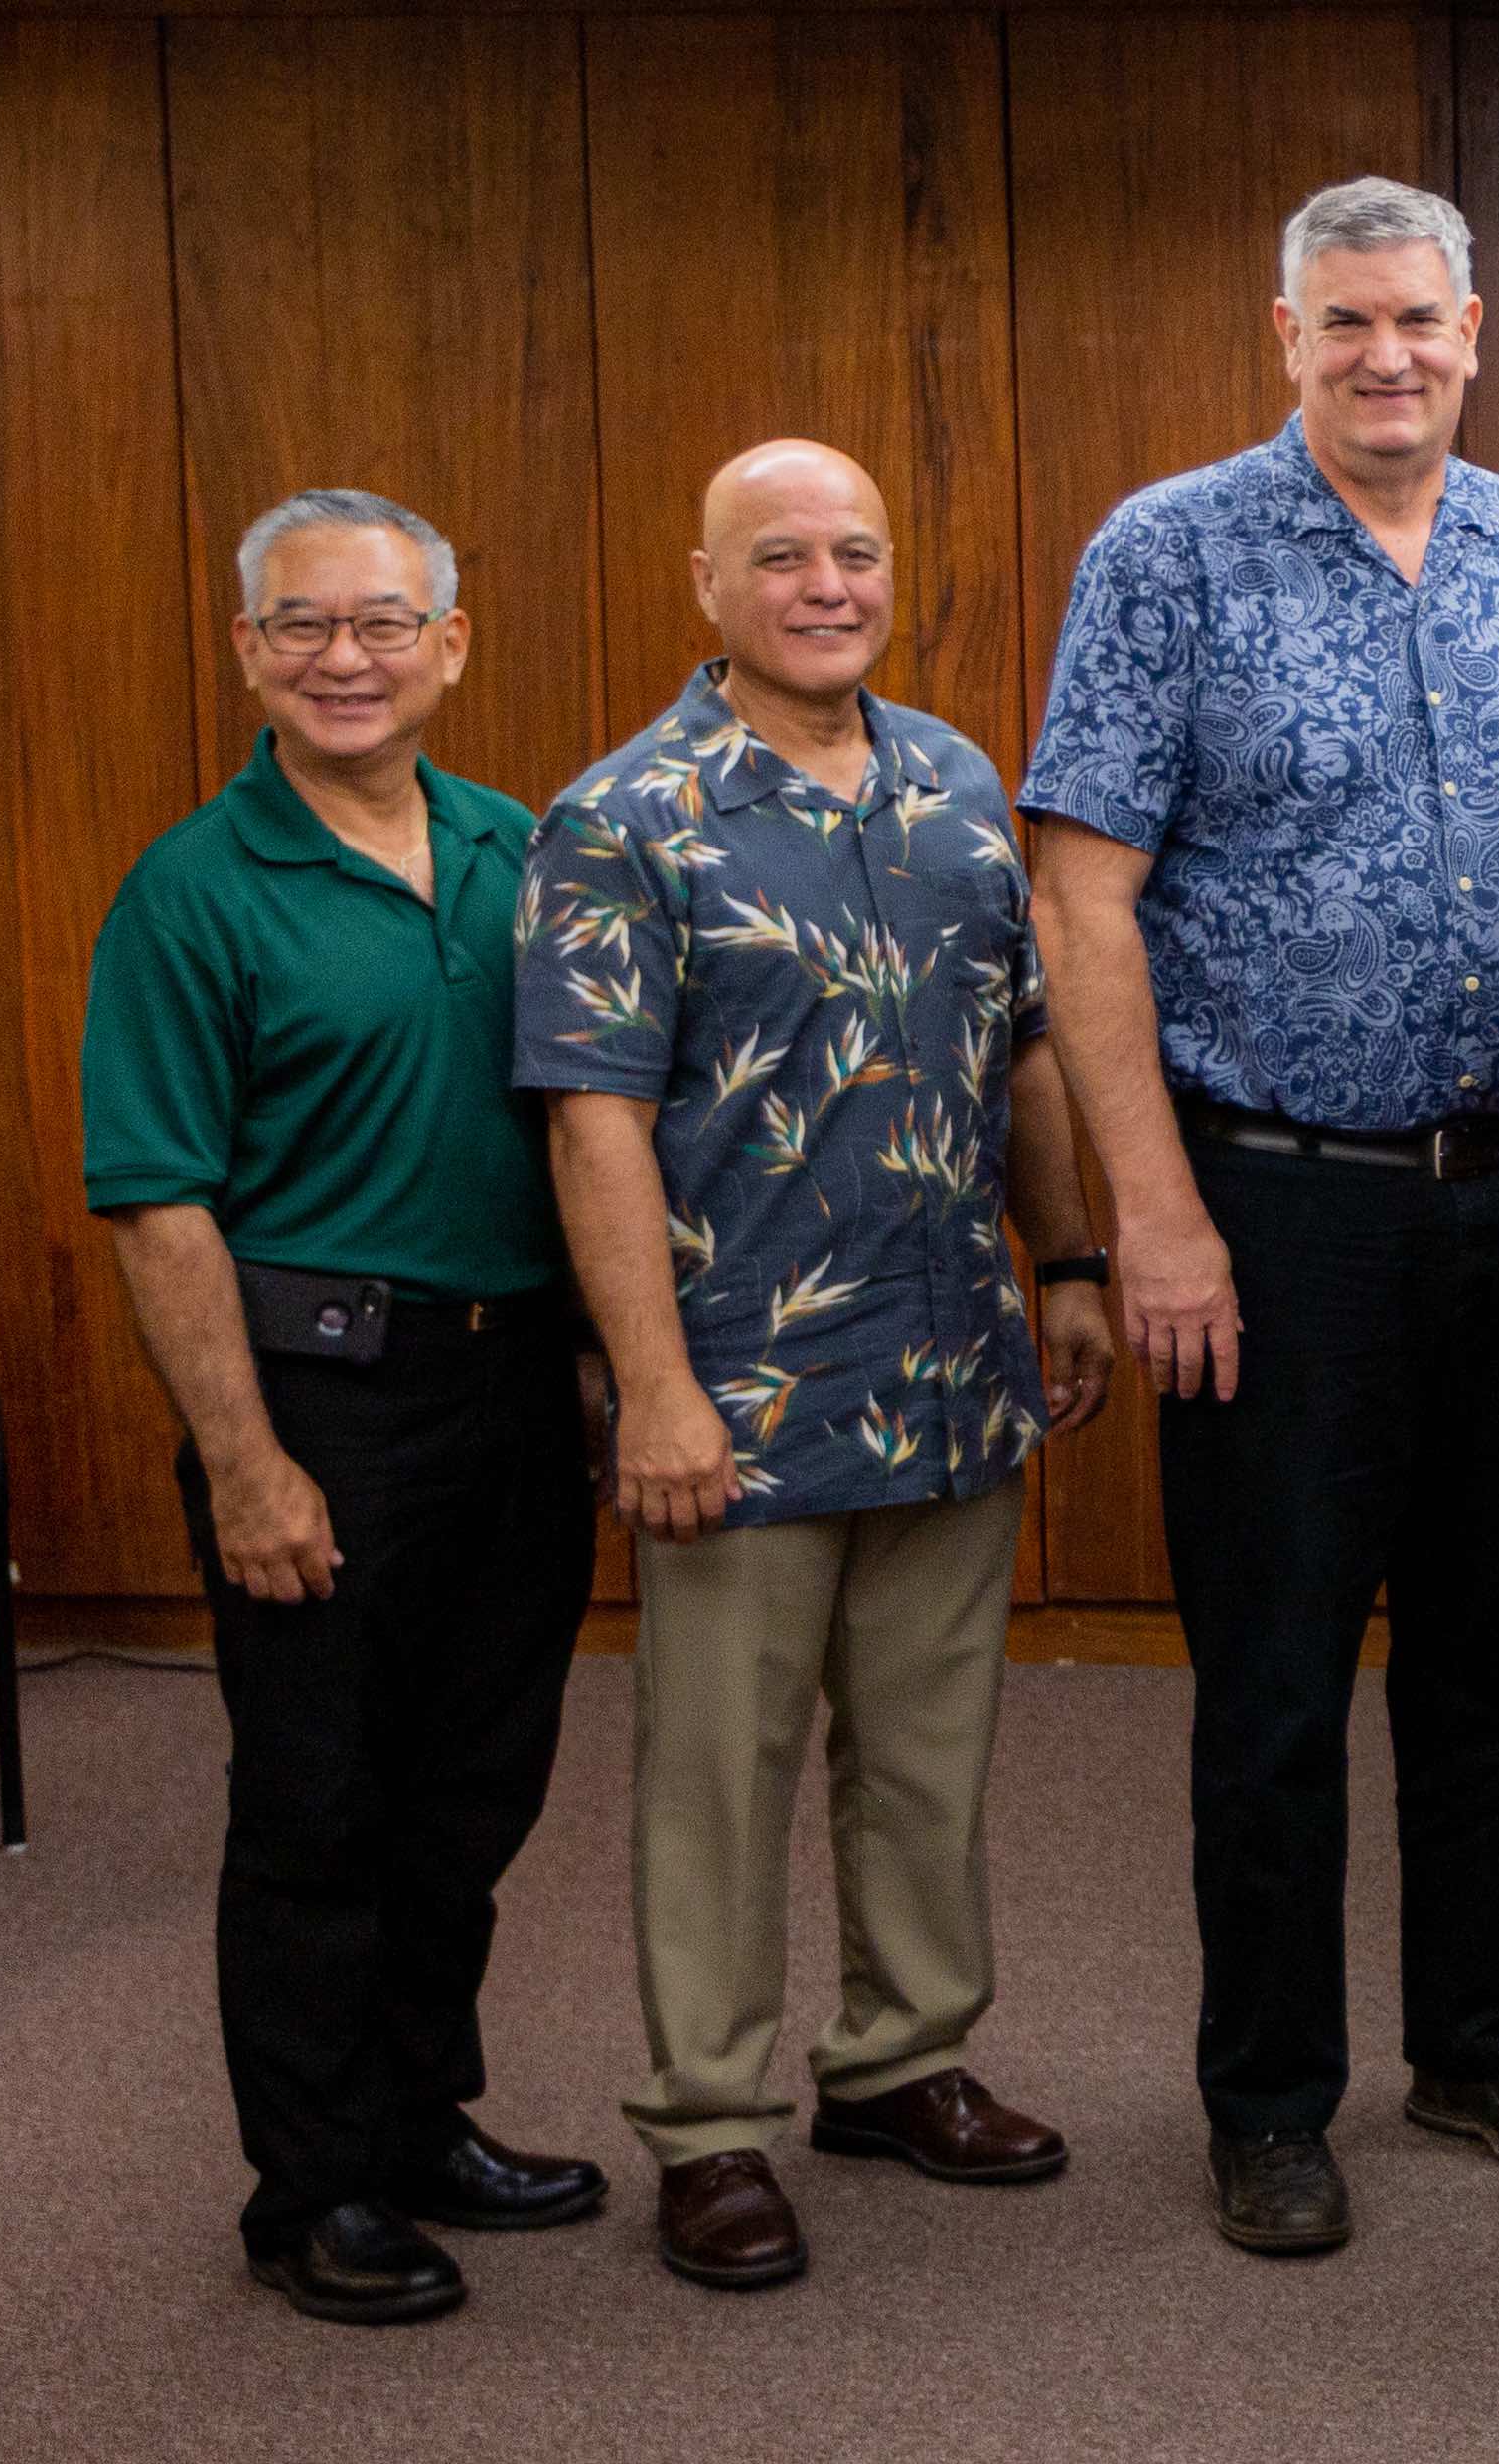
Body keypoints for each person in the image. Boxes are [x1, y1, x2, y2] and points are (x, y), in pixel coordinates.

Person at [1022, 175, 1499, 2254]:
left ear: (1473, 329)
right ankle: (1268, 2099)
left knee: (1497, 1658)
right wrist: (1151, 1215)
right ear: (1282, 331)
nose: (1388, 357)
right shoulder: (1166, 553)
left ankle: (1482, 2045)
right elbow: (1083, 894)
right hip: (1268, 1208)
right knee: (1275, 1679)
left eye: (1419, 322)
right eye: (1345, 323)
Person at [516, 442, 1117, 2291]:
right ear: (709, 586)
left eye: (855, 551)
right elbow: (591, 1122)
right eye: (781, 557)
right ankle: (708, 2126)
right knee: (721, 1767)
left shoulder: (953, 783)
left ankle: (900, 2061)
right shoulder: (624, 816)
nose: (827, 584)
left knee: (926, 1755)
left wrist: (1073, 1256)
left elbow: (1020, 1051)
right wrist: (654, 1384)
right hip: (740, 1391)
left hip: (948, 1367)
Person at [84, 490, 607, 2324]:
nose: (345, 659)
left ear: (451, 646)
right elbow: (159, 1204)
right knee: (317, 1807)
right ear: (249, 653)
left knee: (475, 1787)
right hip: (320, 1398)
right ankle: (307, 2192)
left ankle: (415, 2123)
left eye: (384, 624)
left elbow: (587, 1133)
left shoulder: (519, 849)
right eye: (302, 627)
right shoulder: (192, 891)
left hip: (517, 1390)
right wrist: (243, 1460)